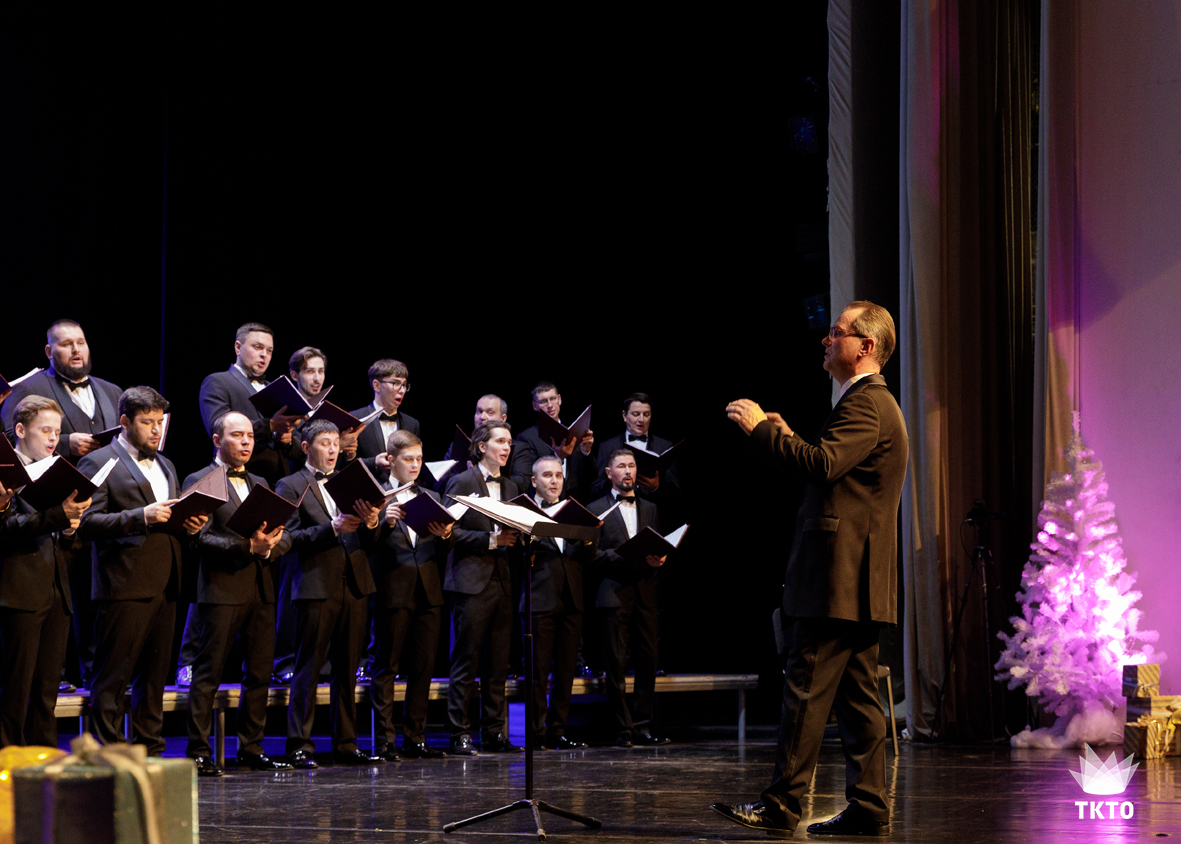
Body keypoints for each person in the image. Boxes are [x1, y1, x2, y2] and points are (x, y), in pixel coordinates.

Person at [713, 300, 908, 838]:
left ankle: (782, 806)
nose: (826, 339)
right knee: (858, 698)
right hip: (855, 581)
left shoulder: (867, 402)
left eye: (836, 332)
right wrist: (787, 437)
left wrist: (762, 431)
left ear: (866, 346)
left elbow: (821, 466)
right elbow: (836, 469)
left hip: (837, 579)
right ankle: (869, 807)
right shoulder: (869, 403)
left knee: (805, 688)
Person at [79, 387, 209, 754]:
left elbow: (170, 517)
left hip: (165, 581)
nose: (156, 430)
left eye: (159, 422)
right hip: (123, 583)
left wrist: (190, 525)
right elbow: (87, 523)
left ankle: (150, 748)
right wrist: (141, 516)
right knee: (113, 675)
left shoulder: (166, 464)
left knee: (154, 676)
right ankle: (111, 752)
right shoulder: (100, 461)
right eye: (147, 422)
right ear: (125, 421)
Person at [0, 319, 122, 690]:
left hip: (89, 513)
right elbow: (9, 435)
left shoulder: (110, 390)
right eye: (66, 343)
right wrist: (67, 443)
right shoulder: (30, 390)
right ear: (49, 351)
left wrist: (69, 523)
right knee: (19, 681)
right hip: (26, 566)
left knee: (82, 606)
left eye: (80, 342)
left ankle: (86, 674)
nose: (76, 349)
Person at [182, 412, 292, 776]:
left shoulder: (260, 481)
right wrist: (247, 547)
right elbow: (199, 538)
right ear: (217, 440)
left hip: (261, 587)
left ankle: (251, 748)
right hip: (220, 588)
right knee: (208, 673)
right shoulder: (200, 479)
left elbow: (284, 534)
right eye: (237, 436)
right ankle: (199, 751)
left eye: (249, 436)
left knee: (259, 673)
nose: (246, 442)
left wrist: (269, 547)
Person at [276, 419, 383, 768]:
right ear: (307, 447)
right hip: (315, 585)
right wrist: (331, 528)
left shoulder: (350, 481)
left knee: (348, 668)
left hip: (354, 584)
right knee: (308, 667)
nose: (333, 449)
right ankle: (300, 744)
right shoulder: (291, 484)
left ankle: (346, 743)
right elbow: (289, 538)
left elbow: (370, 541)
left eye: (336, 442)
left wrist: (372, 522)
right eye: (325, 443)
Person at [0, 397, 90, 747]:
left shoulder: (54, 471)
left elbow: (60, 539)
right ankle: (8, 760)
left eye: (57, 431)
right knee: (14, 687)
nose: (54, 438)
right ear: (21, 430)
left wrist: (69, 529)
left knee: (46, 690)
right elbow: (6, 529)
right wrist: (57, 516)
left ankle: (44, 760)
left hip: (55, 591)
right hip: (18, 592)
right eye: (45, 430)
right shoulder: (6, 472)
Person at [367, 430, 453, 760]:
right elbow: (364, 545)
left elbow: (445, 548)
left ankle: (415, 738)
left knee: (423, 667)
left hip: (428, 590)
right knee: (386, 666)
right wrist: (382, 523)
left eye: (419, 459)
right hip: (392, 589)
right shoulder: (377, 496)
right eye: (408, 459)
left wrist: (445, 534)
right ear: (391, 460)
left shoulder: (431, 495)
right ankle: (384, 740)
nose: (415, 465)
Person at [442, 420, 521, 755]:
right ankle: (459, 732)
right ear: (481, 446)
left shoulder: (512, 485)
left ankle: (494, 732)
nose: (506, 447)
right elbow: (448, 532)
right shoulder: (462, 481)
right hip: (470, 582)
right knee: (466, 662)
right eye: (500, 441)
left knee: (498, 664)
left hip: (502, 582)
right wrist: (491, 540)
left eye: (509, 442)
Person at [588, 449, 668, 747]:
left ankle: (644, 725)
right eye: (621, 466)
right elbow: (591, 555)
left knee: (648, 659)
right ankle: (623, 728)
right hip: (613, 592)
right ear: (609, 472)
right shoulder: (596, 508)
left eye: (631, 466)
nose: (628, 471)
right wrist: (625, 556)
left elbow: (657, 545)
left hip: (644, 590)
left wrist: (659, 558)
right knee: (616, 662)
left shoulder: (650, 507)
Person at [521, 456, 595, 750]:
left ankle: (557, 730)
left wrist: (589, 540)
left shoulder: (573, 512)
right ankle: (535, 732)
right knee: (537, 672)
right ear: (534, 480)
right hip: (540, 599)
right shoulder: (524, 512)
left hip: (571, 599)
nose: (554, 481)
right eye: (547, 475)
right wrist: (533, 539)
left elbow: (587, 560)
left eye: (559, 476)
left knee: (565, 671)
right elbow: (514, 558)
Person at [198, 322, 304, 487]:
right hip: (240, 480)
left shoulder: (276, 388)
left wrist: (287, 439)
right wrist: (270, 426)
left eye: (269, 350)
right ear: (238, 348)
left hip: (280, 484)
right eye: (257, 347)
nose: (264, 355)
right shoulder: (218, 382)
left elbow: (296, 447)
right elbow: (218, 429)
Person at [509, 382, 594, 502]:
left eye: (553, 399)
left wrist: (586, 451)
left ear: (559, 399)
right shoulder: (527, 437)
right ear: (534, 406)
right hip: (546, 503)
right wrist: (558, 457)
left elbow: (591, 477)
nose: (550, 405)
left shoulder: (574, 431)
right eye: (543, 401)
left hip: (576, 502)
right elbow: (529, 479)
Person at [351, 359, 420, 462]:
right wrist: (374, 463)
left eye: (404, 385)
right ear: (377, 385)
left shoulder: (412, 424)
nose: (402, 391)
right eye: (395, 383)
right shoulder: (355, 419)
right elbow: (344, 465)